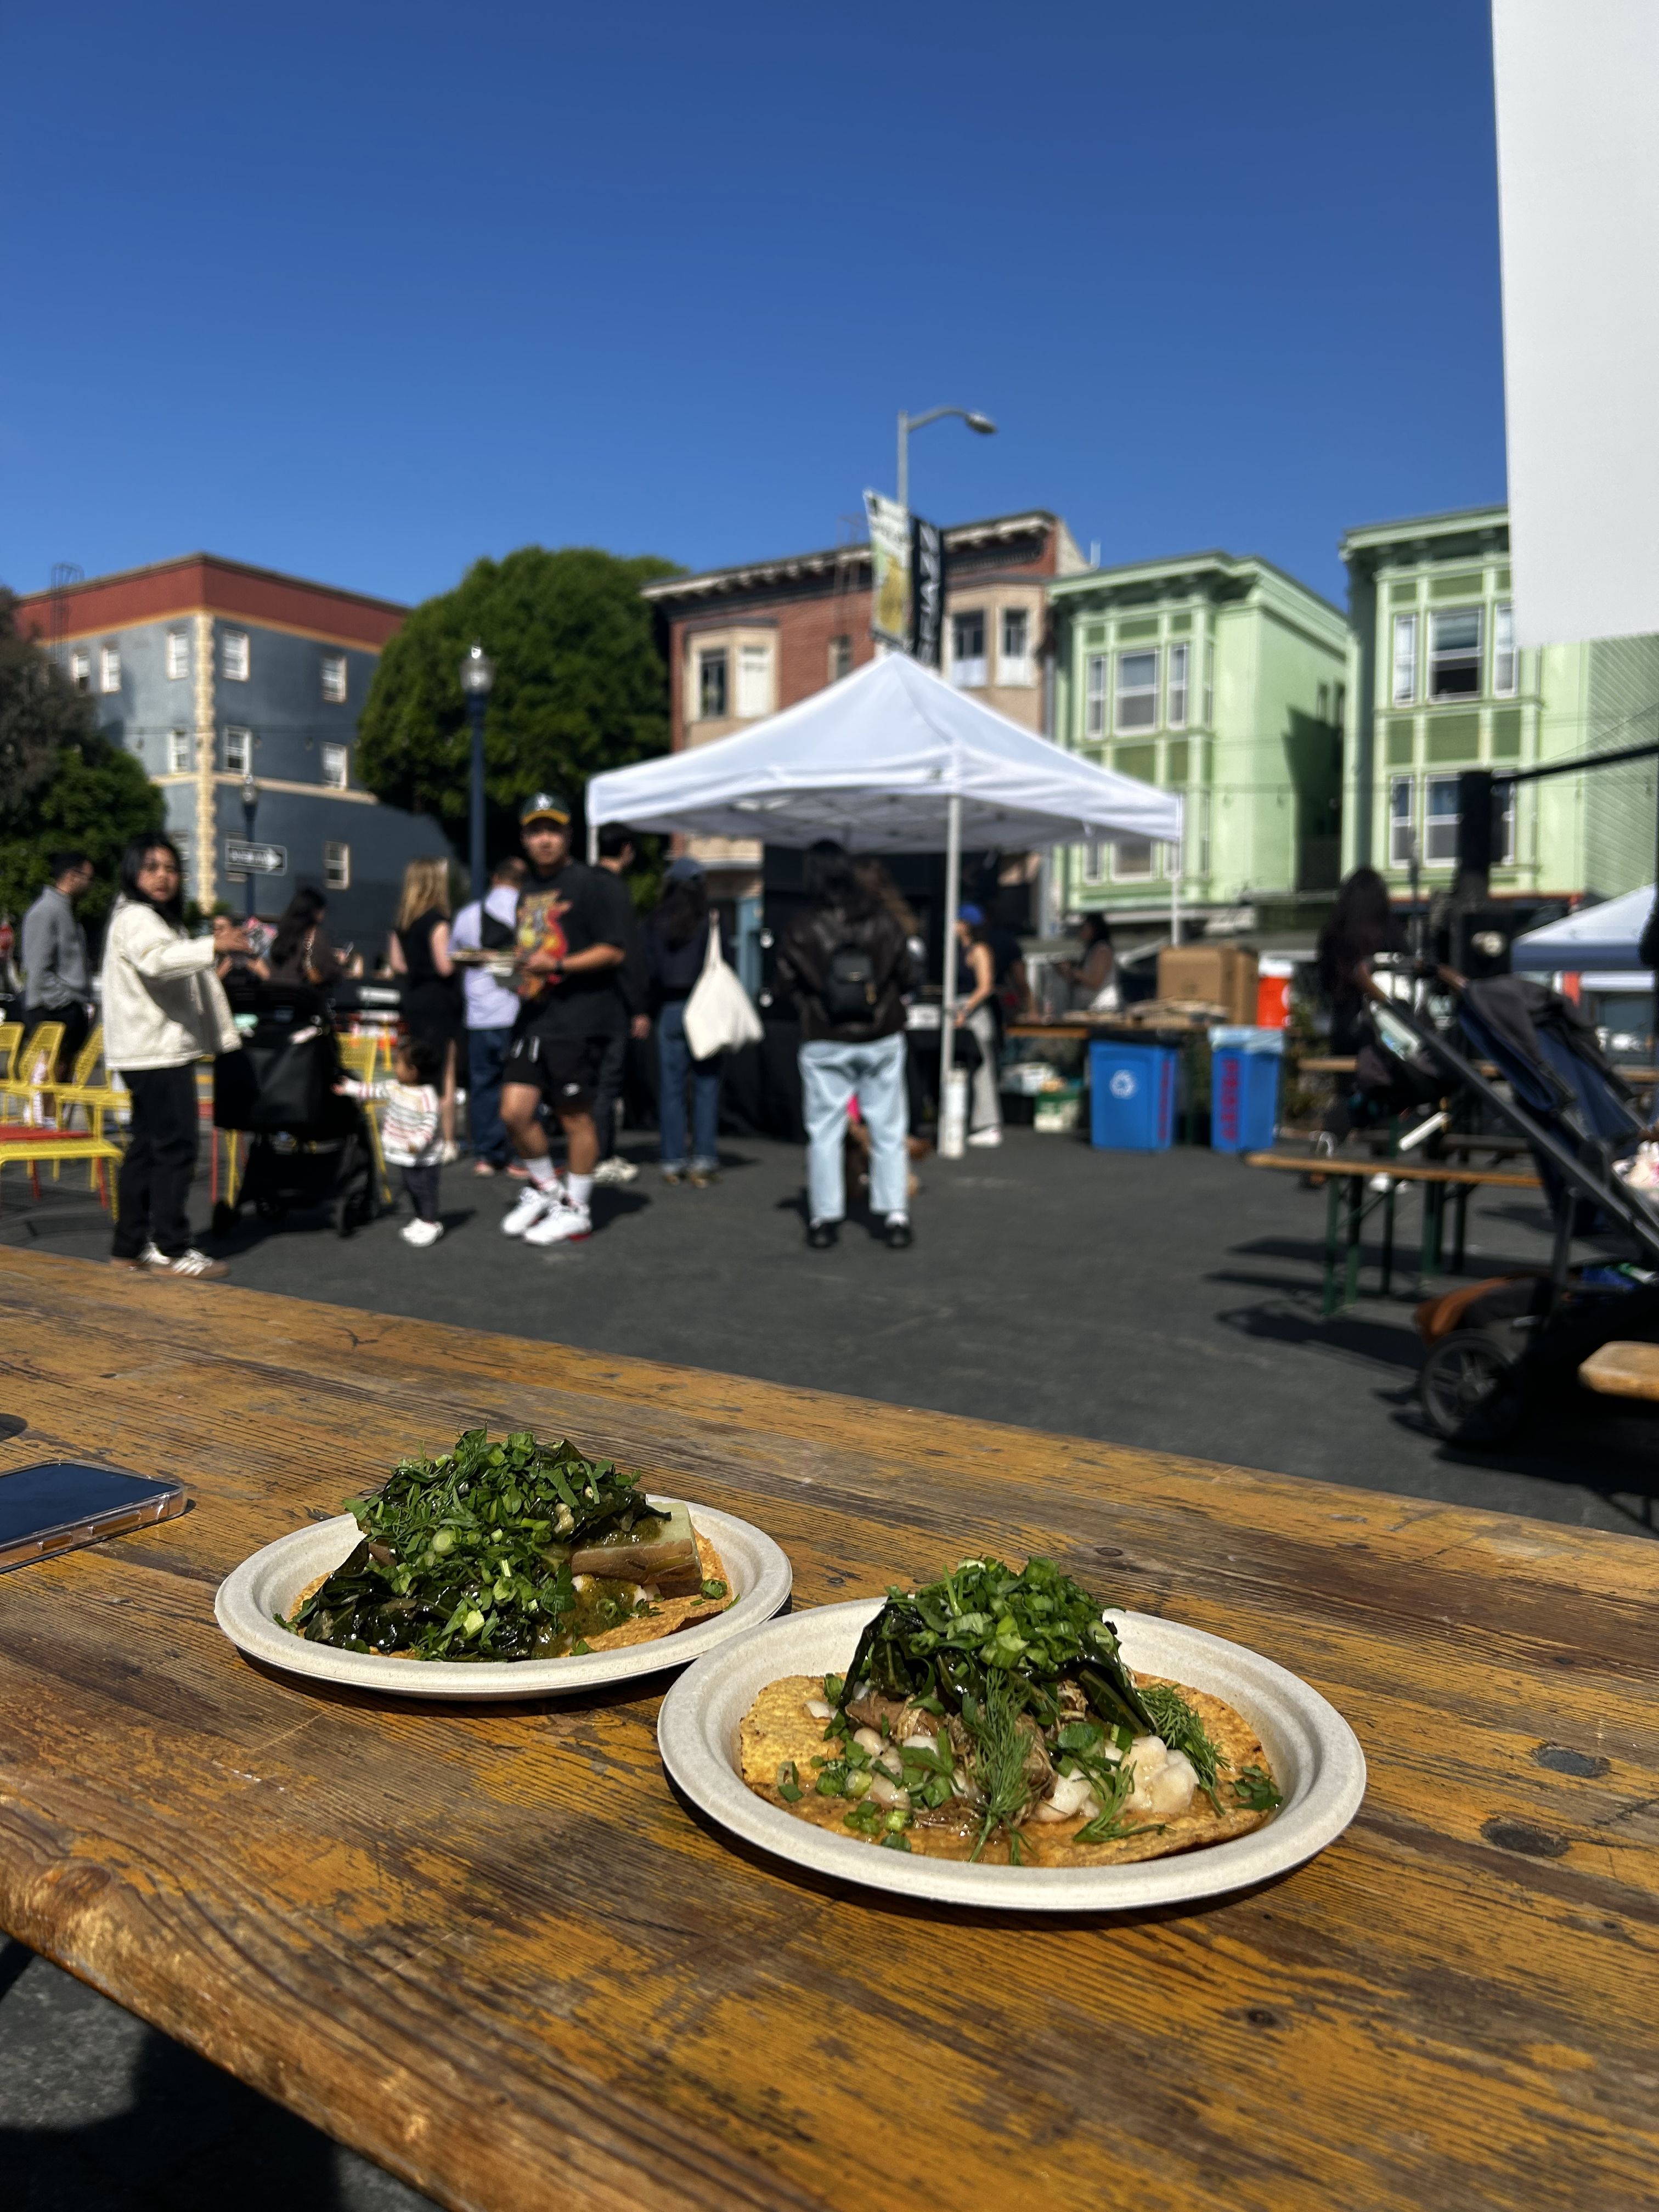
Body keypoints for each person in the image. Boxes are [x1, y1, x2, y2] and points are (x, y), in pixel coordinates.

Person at [101, 834, 239, 1280]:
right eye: (152, 867)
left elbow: (164, 968)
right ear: (133, 873)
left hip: (148, 1049)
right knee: (176, 1148)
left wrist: (209, 961)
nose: (163, 877)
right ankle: (171, 1246)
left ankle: (130, 1245)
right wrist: (213, 947)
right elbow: (157, 962)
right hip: (157, 1050)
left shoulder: (145, 917)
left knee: (146, 1148)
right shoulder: (139, 917)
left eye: (171, 869)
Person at [497, 792, 627, 1246]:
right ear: (525, 838)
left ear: (569, 835)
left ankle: (579, 1209)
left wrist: (558, 966)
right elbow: (531, 954)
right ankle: (547, 1189)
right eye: (536, 831)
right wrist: (511, 970)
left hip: (580, 1018)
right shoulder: (527, 892)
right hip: (533, 1016)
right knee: (514, 1113)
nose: (545, 839)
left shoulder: (593, 884)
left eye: (553, 830)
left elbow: (614, 950)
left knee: (575, 1117)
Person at [775, 839, 917, 1250]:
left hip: (824, 1036)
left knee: (825, 1131)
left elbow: (783, 983)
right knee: (888, 1128)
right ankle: (895, 1217)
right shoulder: (882, 919)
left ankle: (824, 1219)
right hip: (881, 1033)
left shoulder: (802, 926)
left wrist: (811, 1001)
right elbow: (907, 974)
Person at [643, 856, 727, 1188]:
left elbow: (648, 970)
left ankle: (672, 1160)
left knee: (672, 1088)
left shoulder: (654, 921)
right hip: (705, 1007)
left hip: (671, 1009)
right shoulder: (710, 920)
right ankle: (704, 1158)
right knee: (706, 1085)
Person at [450, 855, 526, 1178]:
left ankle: (486, 1154)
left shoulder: (469, 914)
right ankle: (520, 1154)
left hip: (480, 1013)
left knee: (484, 1085)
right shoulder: (528, 914)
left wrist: (482, 957)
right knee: (521, 1084)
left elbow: (452, 955)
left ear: (496, 879)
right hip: (516, 1010)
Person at [336, 1033, 446, 1248]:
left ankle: (431, 1222)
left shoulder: (427, 1096)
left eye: (399, 1064)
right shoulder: (395, 1087)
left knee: (425, 1189)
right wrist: (348, 1087)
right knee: (411, 1187)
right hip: (405, 1153)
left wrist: (417, 1143)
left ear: (414, 1071)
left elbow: (429, 1125)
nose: (395, 1067)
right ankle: (421, 1218)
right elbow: (372, 1090)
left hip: (426, 1156)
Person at [388, 857, 463, 1157]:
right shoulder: (437, 922)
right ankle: (446, 1141)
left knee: (418, 1066)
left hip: (413, 998)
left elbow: (398, 964)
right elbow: (445, 966)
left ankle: (414, 1132)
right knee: (444, 1069)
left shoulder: (401, 925)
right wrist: (462, 958)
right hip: (439, 1001)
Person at [590, 823, 649, 1187]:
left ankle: (587, 1152)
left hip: (575, 997)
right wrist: (639, 1006)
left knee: (582, 1084)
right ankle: (601, 1155)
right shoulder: (616, 891)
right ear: (627, 850)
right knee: (606, 1085)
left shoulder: (580, 884)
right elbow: (628, 954)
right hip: (611, 1001)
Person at [21, 851, 94, 1073]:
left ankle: (54, 1111)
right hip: (52, 1010)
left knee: (63, 1078)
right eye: (89, 878)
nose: (91, 886)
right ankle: (46, 1111)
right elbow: (37, 968)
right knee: (48, 1077)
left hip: (67, 1008)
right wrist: (66, 1001)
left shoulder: (66, 911)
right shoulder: (45, 911)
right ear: (73, 876)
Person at [953, 905, 1003, 1148]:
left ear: (966, 924)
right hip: (961, 1011)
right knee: (966, 1069)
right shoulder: (957, 950)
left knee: (983, 1068)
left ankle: (989, 1124)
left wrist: (965, 1009)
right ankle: (966, 1119)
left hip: (975, 1014)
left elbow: (986, 986)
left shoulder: (980, 950)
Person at [267, 886, 342, 989]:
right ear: (315, 912)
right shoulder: (314, 935)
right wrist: (339, 963)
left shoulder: (283, 934)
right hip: (302, 998)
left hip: (276, 995)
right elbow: (330, 974)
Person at [1054, 913, 1117, 1011]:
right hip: (1089, 1007)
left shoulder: (1102, 951)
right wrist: (1065, 971)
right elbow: (1080, 983)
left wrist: (1074, 971)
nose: (1081, 932)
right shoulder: (1090, 951)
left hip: (1103, 1008)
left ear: (1094, 930)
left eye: (1084, 928)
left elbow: (1095, 982)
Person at [211, 913, 270, 986]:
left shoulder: (248, 953)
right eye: (215, 929)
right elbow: (208, 987)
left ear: (235, 931)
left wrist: (247, 960)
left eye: (221, 929)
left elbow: (266, 977)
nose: (217, 933)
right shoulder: (211, 955)